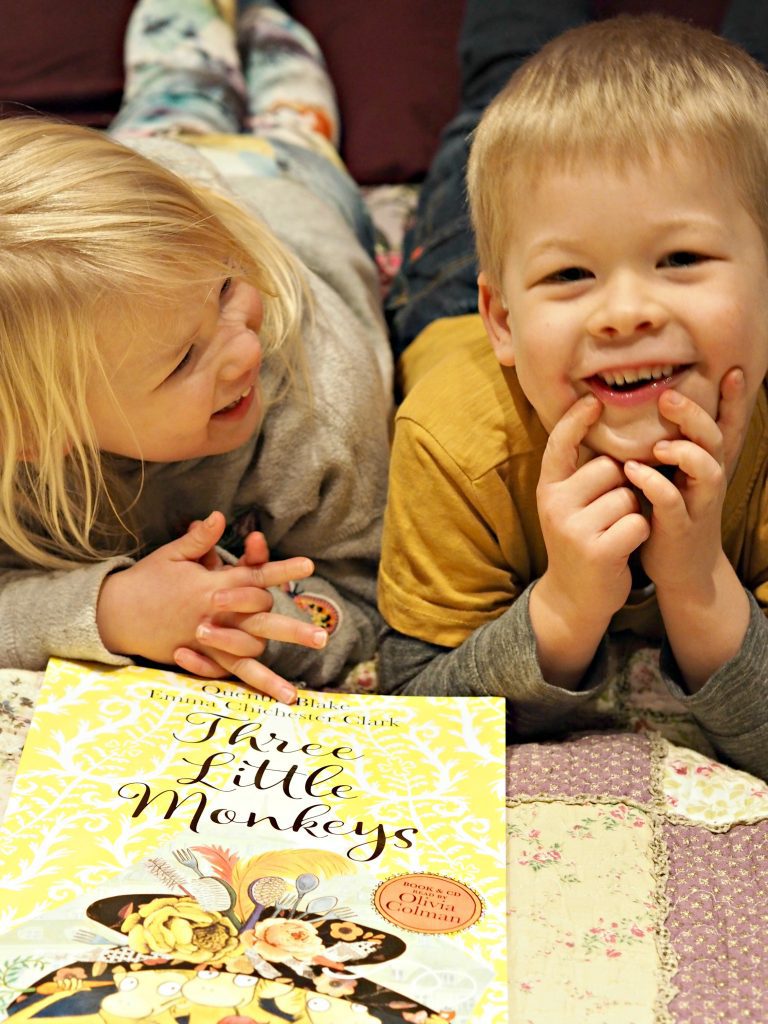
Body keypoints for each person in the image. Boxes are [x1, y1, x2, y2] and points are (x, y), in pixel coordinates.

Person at [377, 1, 768, 779]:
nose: (626, 313)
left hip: (533, 293)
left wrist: (697, 583)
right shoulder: (454, 441)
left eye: (682, 258)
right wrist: (566, 605)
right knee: (500, 95)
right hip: (455, 287)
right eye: (575, 275)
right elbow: (415, 715)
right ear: (505, 322)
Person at [0, 0, 393, 703]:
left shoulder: (323, 413)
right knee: (180, 95)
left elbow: (372, 589)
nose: (245, 347)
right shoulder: (18, 423)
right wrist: (110, 611)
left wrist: (278, 626)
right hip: (160, 243)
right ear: (37, 437)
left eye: (226, 296)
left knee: (284, 113)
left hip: (288, 185)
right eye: (184, 362)